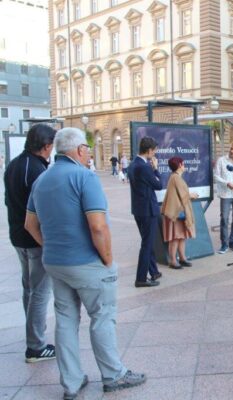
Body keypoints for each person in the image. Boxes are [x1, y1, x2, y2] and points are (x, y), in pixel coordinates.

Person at [24, 128, 146, 399]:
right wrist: (108, 259)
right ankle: (113, 374)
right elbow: (98, 226)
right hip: (87, 262)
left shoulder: (41, 180)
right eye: (87, 149)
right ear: (79, 150)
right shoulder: (84, 177)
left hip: (55, 262)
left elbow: (29, 224)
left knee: (66, 320)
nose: (89, 153)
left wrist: (51, 246)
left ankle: (72, 382)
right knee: (102, 316)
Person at [4, 124, 56, 363]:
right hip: (35, 239)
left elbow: (9, 202)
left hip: (18, 237)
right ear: (46, 146)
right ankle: (35, 345)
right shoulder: (38, 170)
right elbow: (42, 210)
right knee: (39, 292)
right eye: (51, 146)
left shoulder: (14, 164)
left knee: (29, 288)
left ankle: (33, 334)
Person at [128, 137, 162, 287]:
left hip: (138, 209)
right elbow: (158, 185)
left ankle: (153, 271)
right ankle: (141, 278)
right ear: (149, 151)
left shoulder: (133, 164)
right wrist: (156, 169)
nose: (155, 154)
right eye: (154, 151)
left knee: (147, 242)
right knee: (147, 244)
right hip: (148, 210)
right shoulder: (145, 167)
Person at [160, 157, 198, 269]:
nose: (184, 165)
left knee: (181, 236)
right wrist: (192, 195)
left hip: (178, 212)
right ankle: (173, 260)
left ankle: (182, 258)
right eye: (183, 164)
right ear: (180, 165)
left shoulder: (175, 177)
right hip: (176, 213)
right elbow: (184, 195)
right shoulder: (176, 178)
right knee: (176, 237)